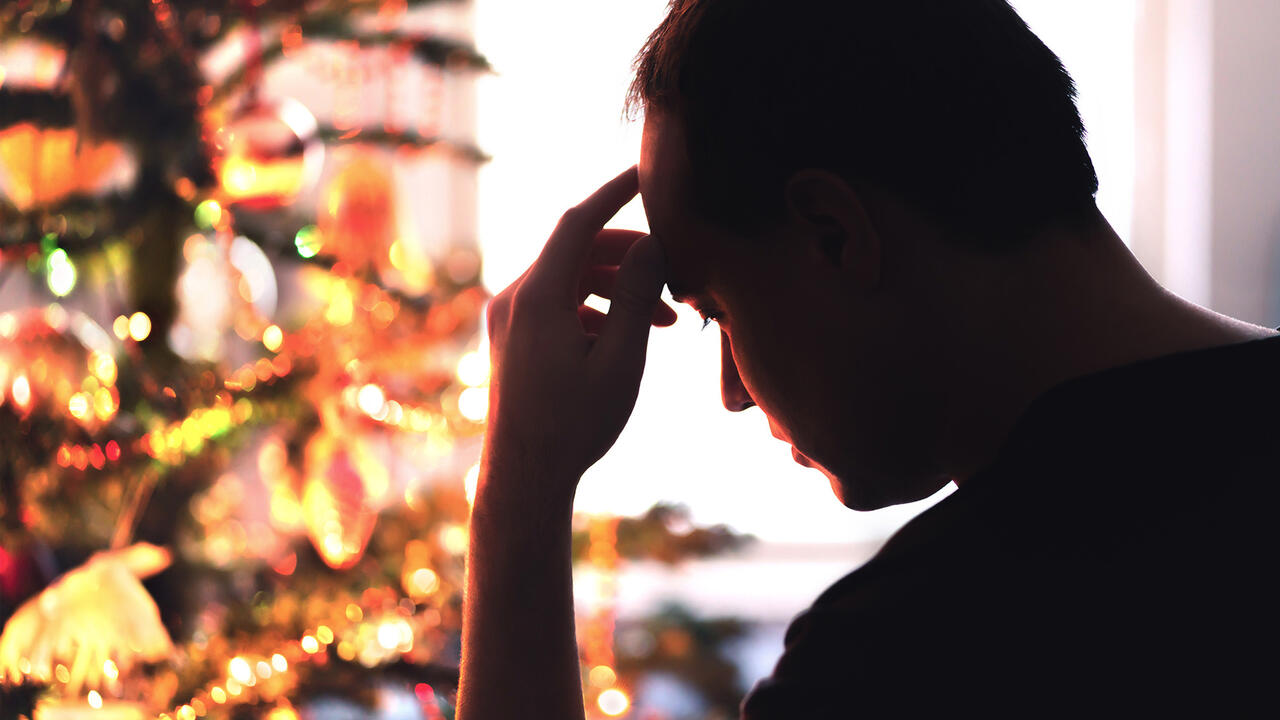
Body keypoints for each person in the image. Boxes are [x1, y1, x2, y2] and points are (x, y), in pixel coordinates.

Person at [457, 1, 1280, 717]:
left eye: (718, 314)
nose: (733, 394)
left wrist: (519, 487)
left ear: (834, 232)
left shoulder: (915, 655)